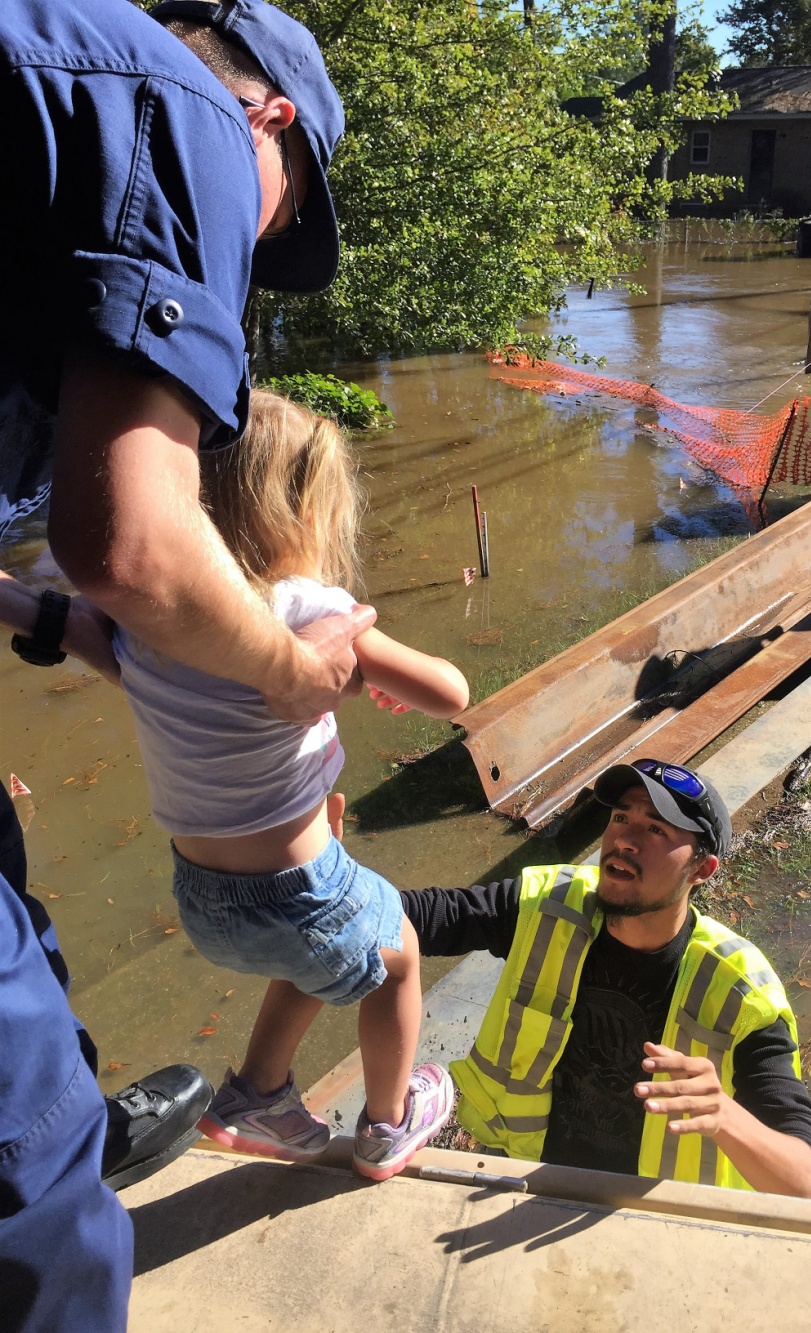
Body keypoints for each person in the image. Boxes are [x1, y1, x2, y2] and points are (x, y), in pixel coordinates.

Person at [0, 1, 368, 1325]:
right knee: (34, 1188)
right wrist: (284, 666)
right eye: (279, 221)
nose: (254, 253)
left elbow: (90, 606)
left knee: (25, 926)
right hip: (278, 874)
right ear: (268, 116)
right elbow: (132, 550)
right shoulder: (182, 110)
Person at [115, 390, 470, 1180]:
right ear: (304, 506)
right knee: (398, 954)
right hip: (299, 891)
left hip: (203, 898)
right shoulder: (308, 606)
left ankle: (260, 1095)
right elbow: (452, 694)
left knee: (315, 951)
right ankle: (389, 1122)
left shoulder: (157, 613)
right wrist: (382, 658)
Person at [403, 760, 811, 1197]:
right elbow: (418, 917)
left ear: (701, 870)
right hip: (527, 1183)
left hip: (649, 1225)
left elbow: (804, 1186)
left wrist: (725, 1115)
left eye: (656, 830)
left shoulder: (740, 992)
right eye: (621, 817)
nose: (624, 839)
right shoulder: (548, 906)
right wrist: (333, 882)